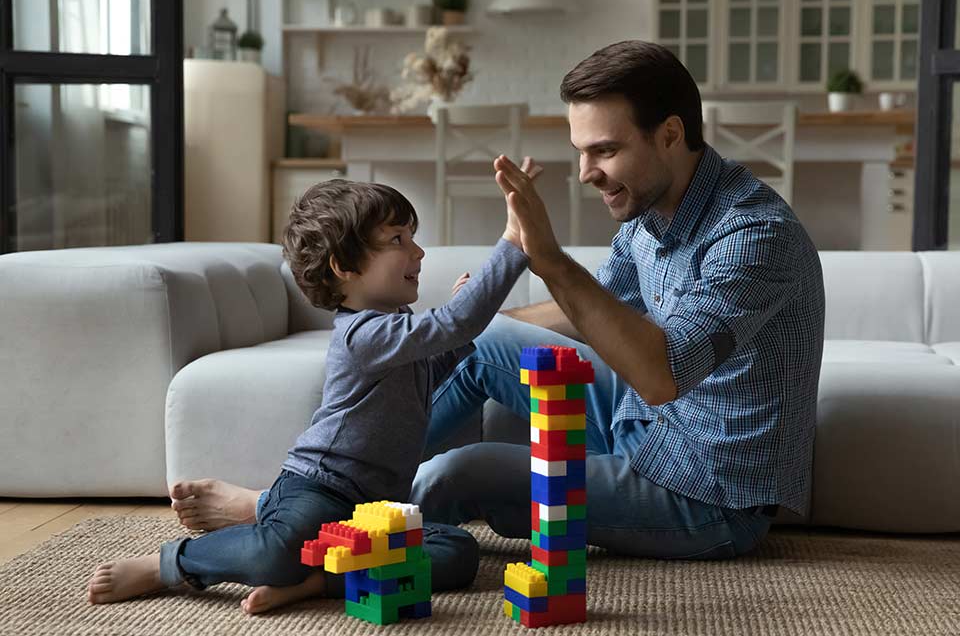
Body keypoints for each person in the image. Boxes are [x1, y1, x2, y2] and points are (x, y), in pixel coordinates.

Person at [166, 39, 825, 561]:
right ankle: (311, 496)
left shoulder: (753, 235)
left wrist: (544, 255)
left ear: (672, 134)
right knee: (475, 343)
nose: (588, 172)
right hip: (643, 426)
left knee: (461, 474)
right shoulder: (651, 215)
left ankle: (292, 521)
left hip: (704, 493)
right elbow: (590, 309)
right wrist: (474, 324)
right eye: (581, 150)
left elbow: (659, 374)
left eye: (606, 150)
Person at [86, 177, 532, 613]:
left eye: (412, 237)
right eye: (398, 239)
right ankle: (168, 563)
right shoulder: (363, 334)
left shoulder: (397, 326)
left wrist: (455, 328)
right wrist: (513, 242)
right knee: (274, 554)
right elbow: (455, 323)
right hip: (319, 487)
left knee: (458, 551)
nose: (417, 251)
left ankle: (318, 581)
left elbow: (432, 366)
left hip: (375, 506)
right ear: (345, 266)